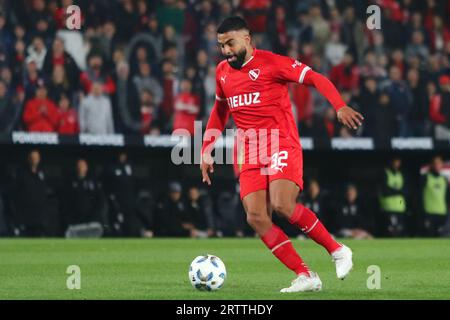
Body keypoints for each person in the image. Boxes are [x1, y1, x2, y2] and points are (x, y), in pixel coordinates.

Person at [200, 17, 362, 293]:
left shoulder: (272, 63)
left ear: (247, 39)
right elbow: (219, 112)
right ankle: (306, 275)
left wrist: (339, 106)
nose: (225, 50)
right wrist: (206, 149)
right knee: (255, 216)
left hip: (281, 142)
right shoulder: (222, 73)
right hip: (251, 150)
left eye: (230, 43)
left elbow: (314, 77)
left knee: (282, 205)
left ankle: (337, 250)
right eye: (221, 45)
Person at [378, 157, 408, 237]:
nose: (396, 164)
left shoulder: (401, 174)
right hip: (388, 207)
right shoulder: (385, 173)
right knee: (390, 230)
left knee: (400, 229)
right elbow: (385, 190)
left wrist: (393, 191)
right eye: (395, 162)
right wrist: (399, 191)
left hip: (400, 206)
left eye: (398, 162)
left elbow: (406, 190)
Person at [420, 156, 449, 237]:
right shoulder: (425, 177)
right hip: (429, 212)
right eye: (435, 163)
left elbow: (447, 196)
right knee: (428, 236)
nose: (437, 165)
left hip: (442, 212)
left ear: (442, 165)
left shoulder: (444, 179)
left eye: (439, 163)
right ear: (431, 165)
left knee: (441, 237)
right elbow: (419, 195)